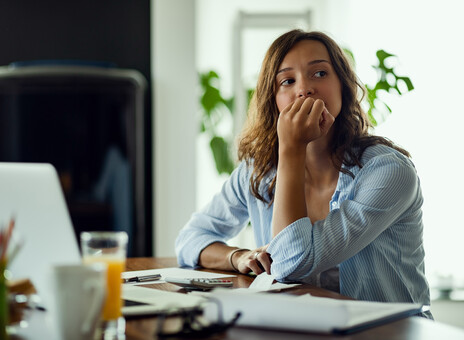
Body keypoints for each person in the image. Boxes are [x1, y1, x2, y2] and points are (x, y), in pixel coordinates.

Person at [175, 29, 432, 316]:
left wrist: (291, 149)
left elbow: (291, 263)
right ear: (273, 100)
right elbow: (190, 239)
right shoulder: (258, 170)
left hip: (389, 332)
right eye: (288, 80)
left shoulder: (388, 172)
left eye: (319, 74)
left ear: (343, 87)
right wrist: (236, 257)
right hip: (305, 327)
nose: (304, 89)